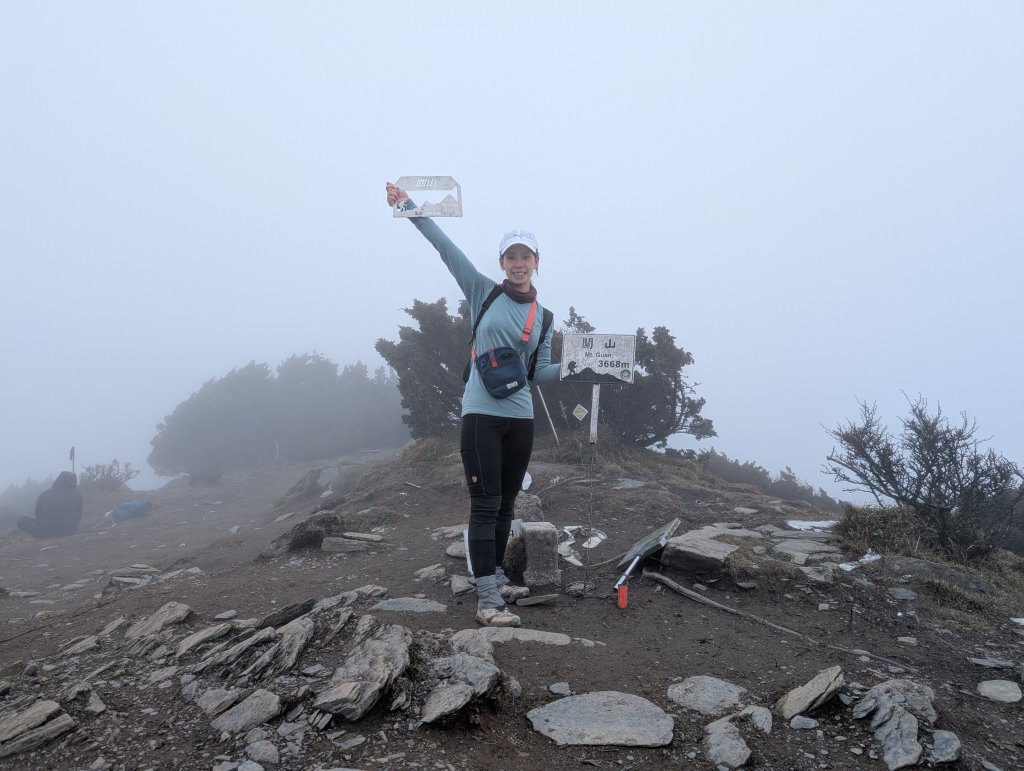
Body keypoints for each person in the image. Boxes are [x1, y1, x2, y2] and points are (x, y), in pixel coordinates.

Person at [386, 181, 562, 627]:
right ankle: (487, 599)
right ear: (502, 262)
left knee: (506, 504)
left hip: (521, 418)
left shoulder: (543, 317)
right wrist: (408, 207)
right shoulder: (483, 290)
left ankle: (497, 576)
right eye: (512, 256)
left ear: (536, 263)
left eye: (527, 256)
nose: (519, 263)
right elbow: (444, 248)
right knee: (484, 504)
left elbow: (538, 372)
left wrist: (579, 369)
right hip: (481, 414)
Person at [17, 471, 84, 538]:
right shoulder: (78, 495)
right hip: (70, 531)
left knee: (23, 520)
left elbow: (38, 516)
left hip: (45, 533)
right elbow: (78, 516)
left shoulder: (44, 494)